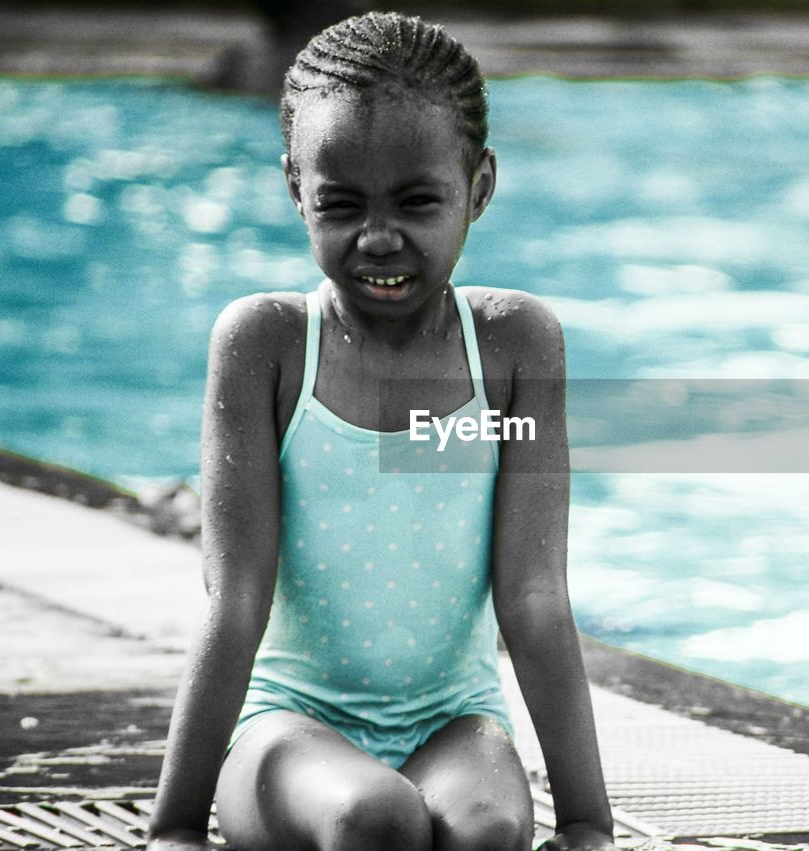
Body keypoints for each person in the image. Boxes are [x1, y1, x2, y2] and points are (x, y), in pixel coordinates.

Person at [145, 12, 618, 850]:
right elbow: (237, 601)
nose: (379, 237)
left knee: (488, 831)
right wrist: (174, 827)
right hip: (286, 733)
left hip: (455, 725)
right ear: (296, 187)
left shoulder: (513, 345)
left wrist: (587, 824)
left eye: (417, 201)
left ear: (478, 187)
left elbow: (535, 598)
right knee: (377, 818)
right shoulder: (267, 345)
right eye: (341, 205)